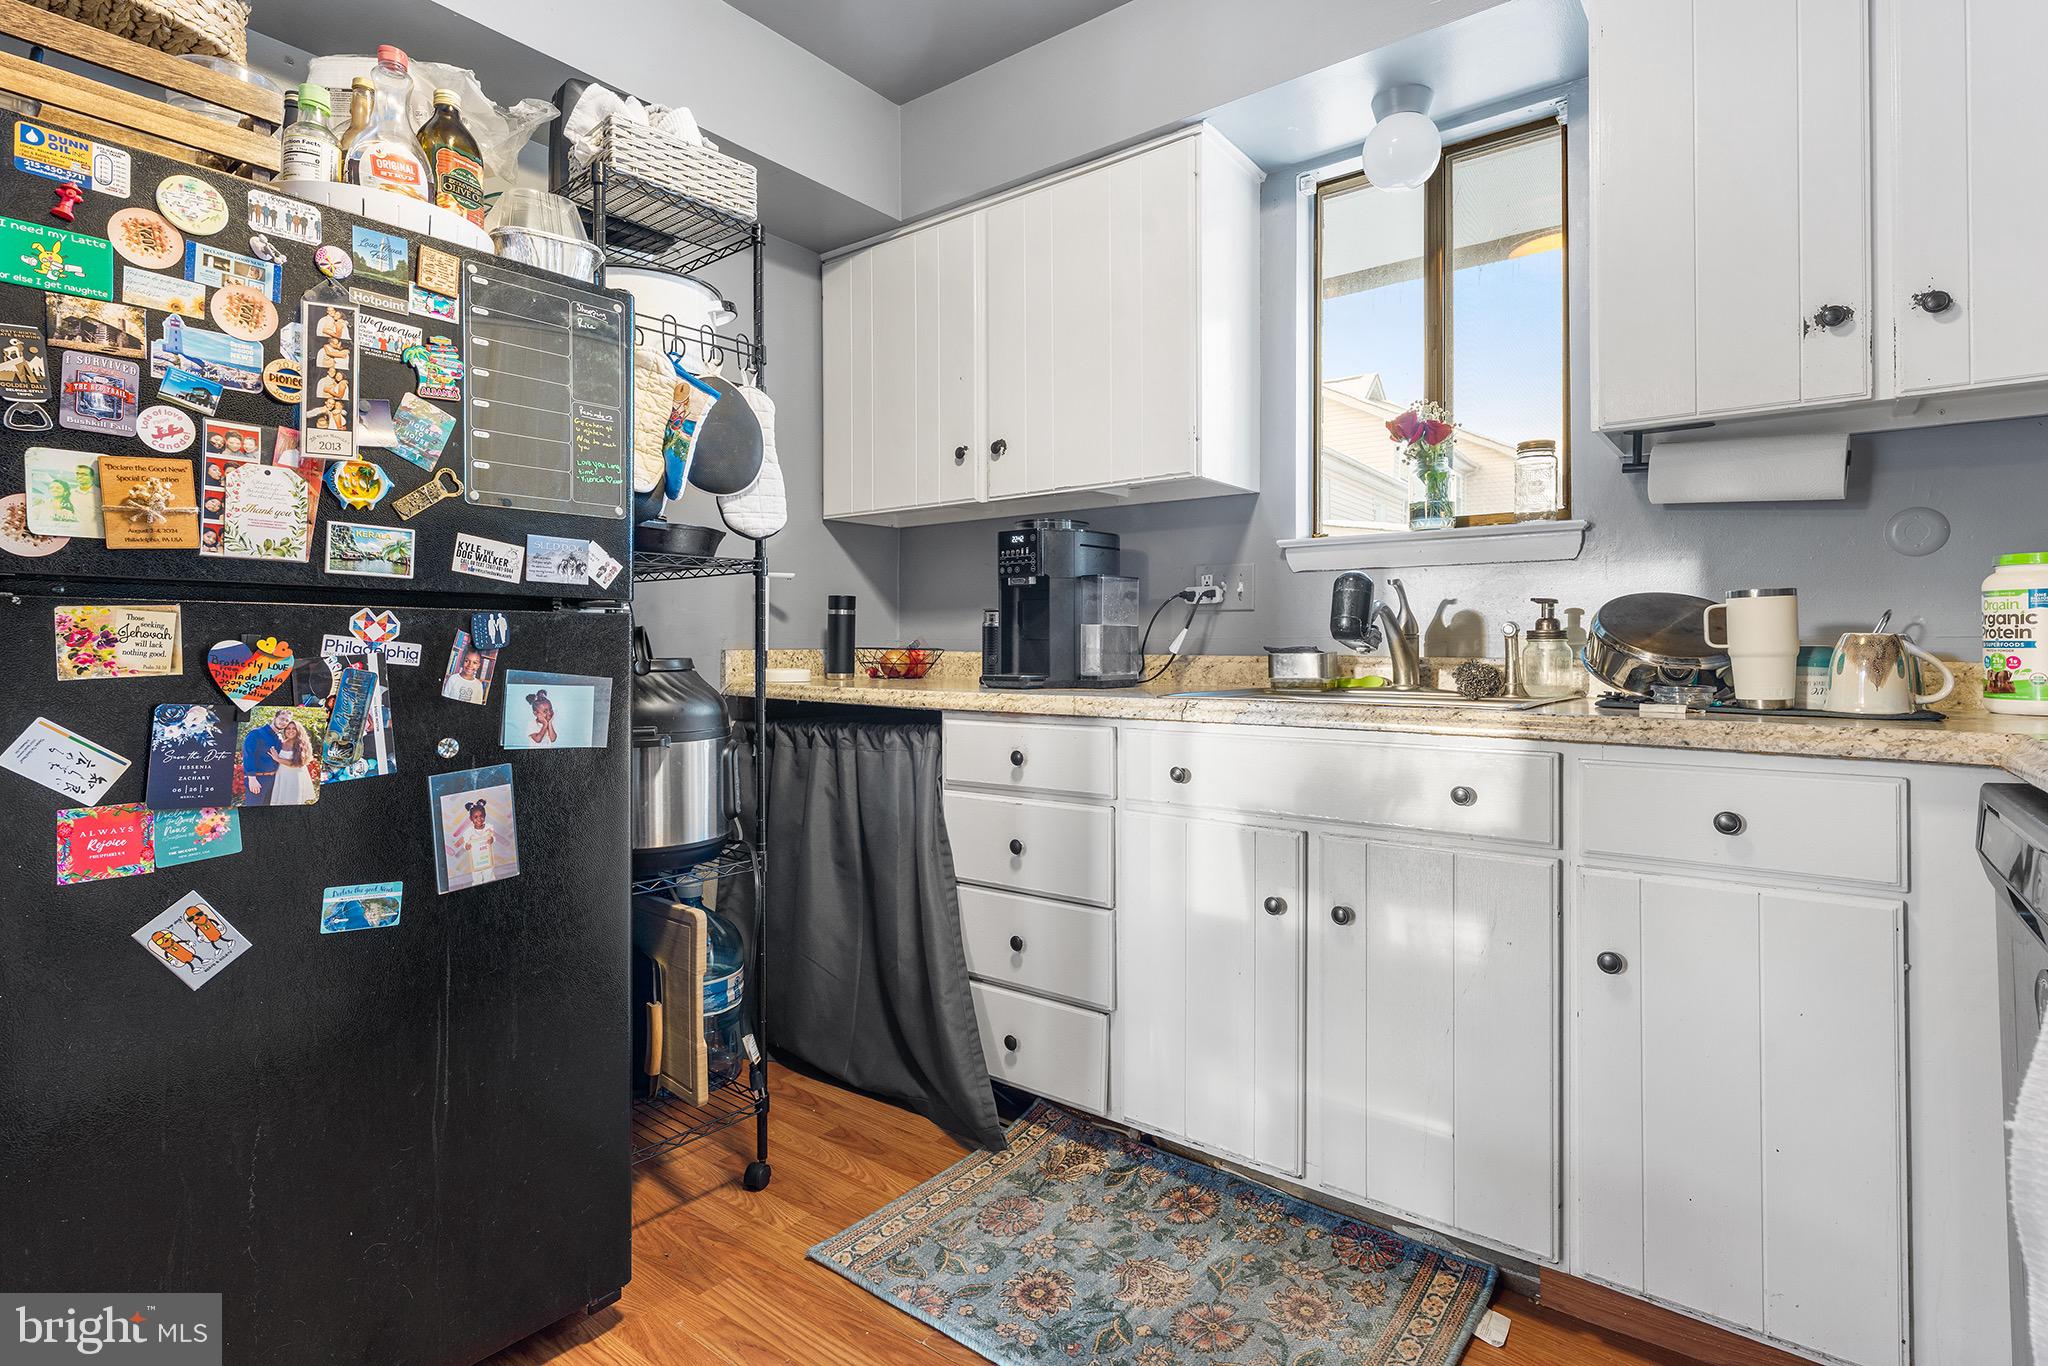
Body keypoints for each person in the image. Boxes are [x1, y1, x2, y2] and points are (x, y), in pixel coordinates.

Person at [263, 710, 316, 805]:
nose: (290, 730)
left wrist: (278, 759)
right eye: (288, 728)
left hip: (295, 777)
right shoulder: (281, 743)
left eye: (294, 728)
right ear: (285, 730)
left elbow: (298, 763)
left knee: (293, 802)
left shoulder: (302, 744)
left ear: (298, 730)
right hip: (282, 776)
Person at [447, 798, 496, 886]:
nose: (479, 819)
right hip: (476, 859)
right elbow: (465, 844)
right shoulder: (469, 832)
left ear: (485, 816)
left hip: (486, 858)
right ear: (471, 819)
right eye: (475, 817)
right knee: (476, 876)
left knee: (489, 874)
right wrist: (466, 846)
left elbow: (492, 837)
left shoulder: (489, 827)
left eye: (481, 816)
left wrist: (492, 839)